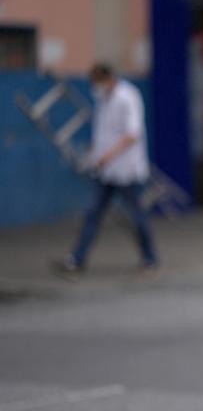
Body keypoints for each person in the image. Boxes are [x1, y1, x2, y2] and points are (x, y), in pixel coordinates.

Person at [54, 63, 158, 279]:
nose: (96, 87)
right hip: (105, 172)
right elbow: (102, 134)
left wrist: (107, 156)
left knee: (137, 217)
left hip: (127, 171)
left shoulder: (127, 97)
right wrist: (92, 156)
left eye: (98, 82)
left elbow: (132, 134)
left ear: (109, 78)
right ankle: (77, 259)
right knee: (92, 214)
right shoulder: (103, 100)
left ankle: (150, 258)